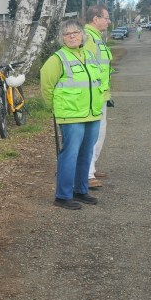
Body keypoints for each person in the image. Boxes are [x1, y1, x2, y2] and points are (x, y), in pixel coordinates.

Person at [40, 19, 103, 210]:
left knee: (86, 153)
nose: (72, 36)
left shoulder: (89, 55)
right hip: (70, 116)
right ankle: (63, 195)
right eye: (67, 34)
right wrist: (56, 108)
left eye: (75, 32)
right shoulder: (57, 59)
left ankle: (81, 190)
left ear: (82, 35)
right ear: (62, 38)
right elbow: (47, 86)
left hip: (92, 114)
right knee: (70, 154)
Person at [84, 4, 113, 189]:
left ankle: (91, 168)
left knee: (99, 133)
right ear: (96, 19)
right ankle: (86, 173)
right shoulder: (88, 38)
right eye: (106, 18)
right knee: (92, 134)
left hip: (100, 94)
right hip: (92, 95)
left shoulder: (96, 38)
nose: (109, 21)